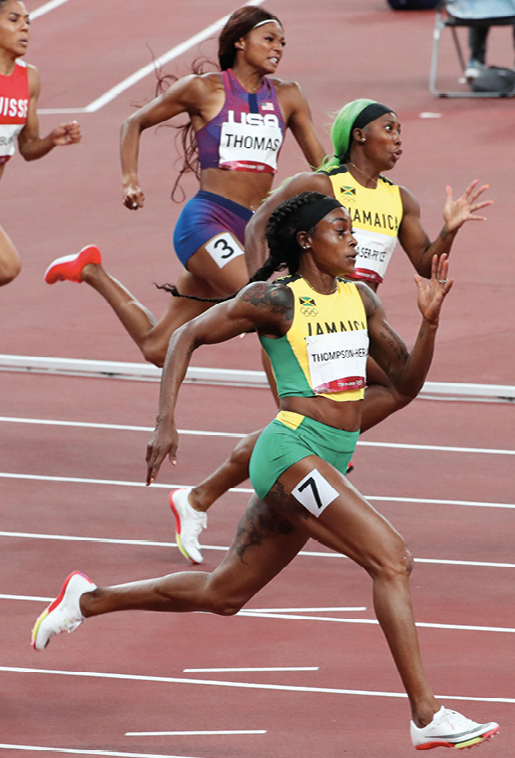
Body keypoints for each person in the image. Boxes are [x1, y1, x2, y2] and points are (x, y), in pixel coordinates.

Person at [31, 193, 499, 751]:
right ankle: (426, 715)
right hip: (287, 453)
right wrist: (165, 421)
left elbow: (405, 383)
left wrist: (429, 323)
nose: (354, 239)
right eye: (339, 229)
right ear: (305, 241)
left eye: (353, 230)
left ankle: (86, 599)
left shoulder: (362, 298)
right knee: (391, 558)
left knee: (223, 592)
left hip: (326, 459)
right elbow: (185, 335)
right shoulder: (275, 300)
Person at [169, 98, 492, 565]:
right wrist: (261, 293)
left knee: (396, 389)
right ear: (359, 135)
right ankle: (207, 495)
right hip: (304, 319)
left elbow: (425, 261)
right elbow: (260, 221)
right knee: (300, 421)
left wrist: (450, 229)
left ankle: (207, 494)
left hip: (350, 321)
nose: (400, 139)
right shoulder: (320, 185)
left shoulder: (399, 199)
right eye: (390, 128)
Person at [42, 6, 326, 367]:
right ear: (240, 42)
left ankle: (91, 271)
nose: (278, 48)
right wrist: (131, 180)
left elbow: (321, 165)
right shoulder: (203, 89)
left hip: (252, 231)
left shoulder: (289, 96)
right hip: (207, 222)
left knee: (159, 348)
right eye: (269, 39)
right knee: (258, 301)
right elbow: (134, 122)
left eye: (283, 42)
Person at [0, 0, 81, 286]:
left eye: (27, 21)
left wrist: (50, 141)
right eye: (13, 19)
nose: (24, 27)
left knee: (6, 268)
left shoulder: (28, 79)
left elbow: (28, 147)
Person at [445, 0, 515, 80]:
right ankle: (476, 62)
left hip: (467, 13)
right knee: (480, 13)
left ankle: (475, 63)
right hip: (509, 12)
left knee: (478, 14)